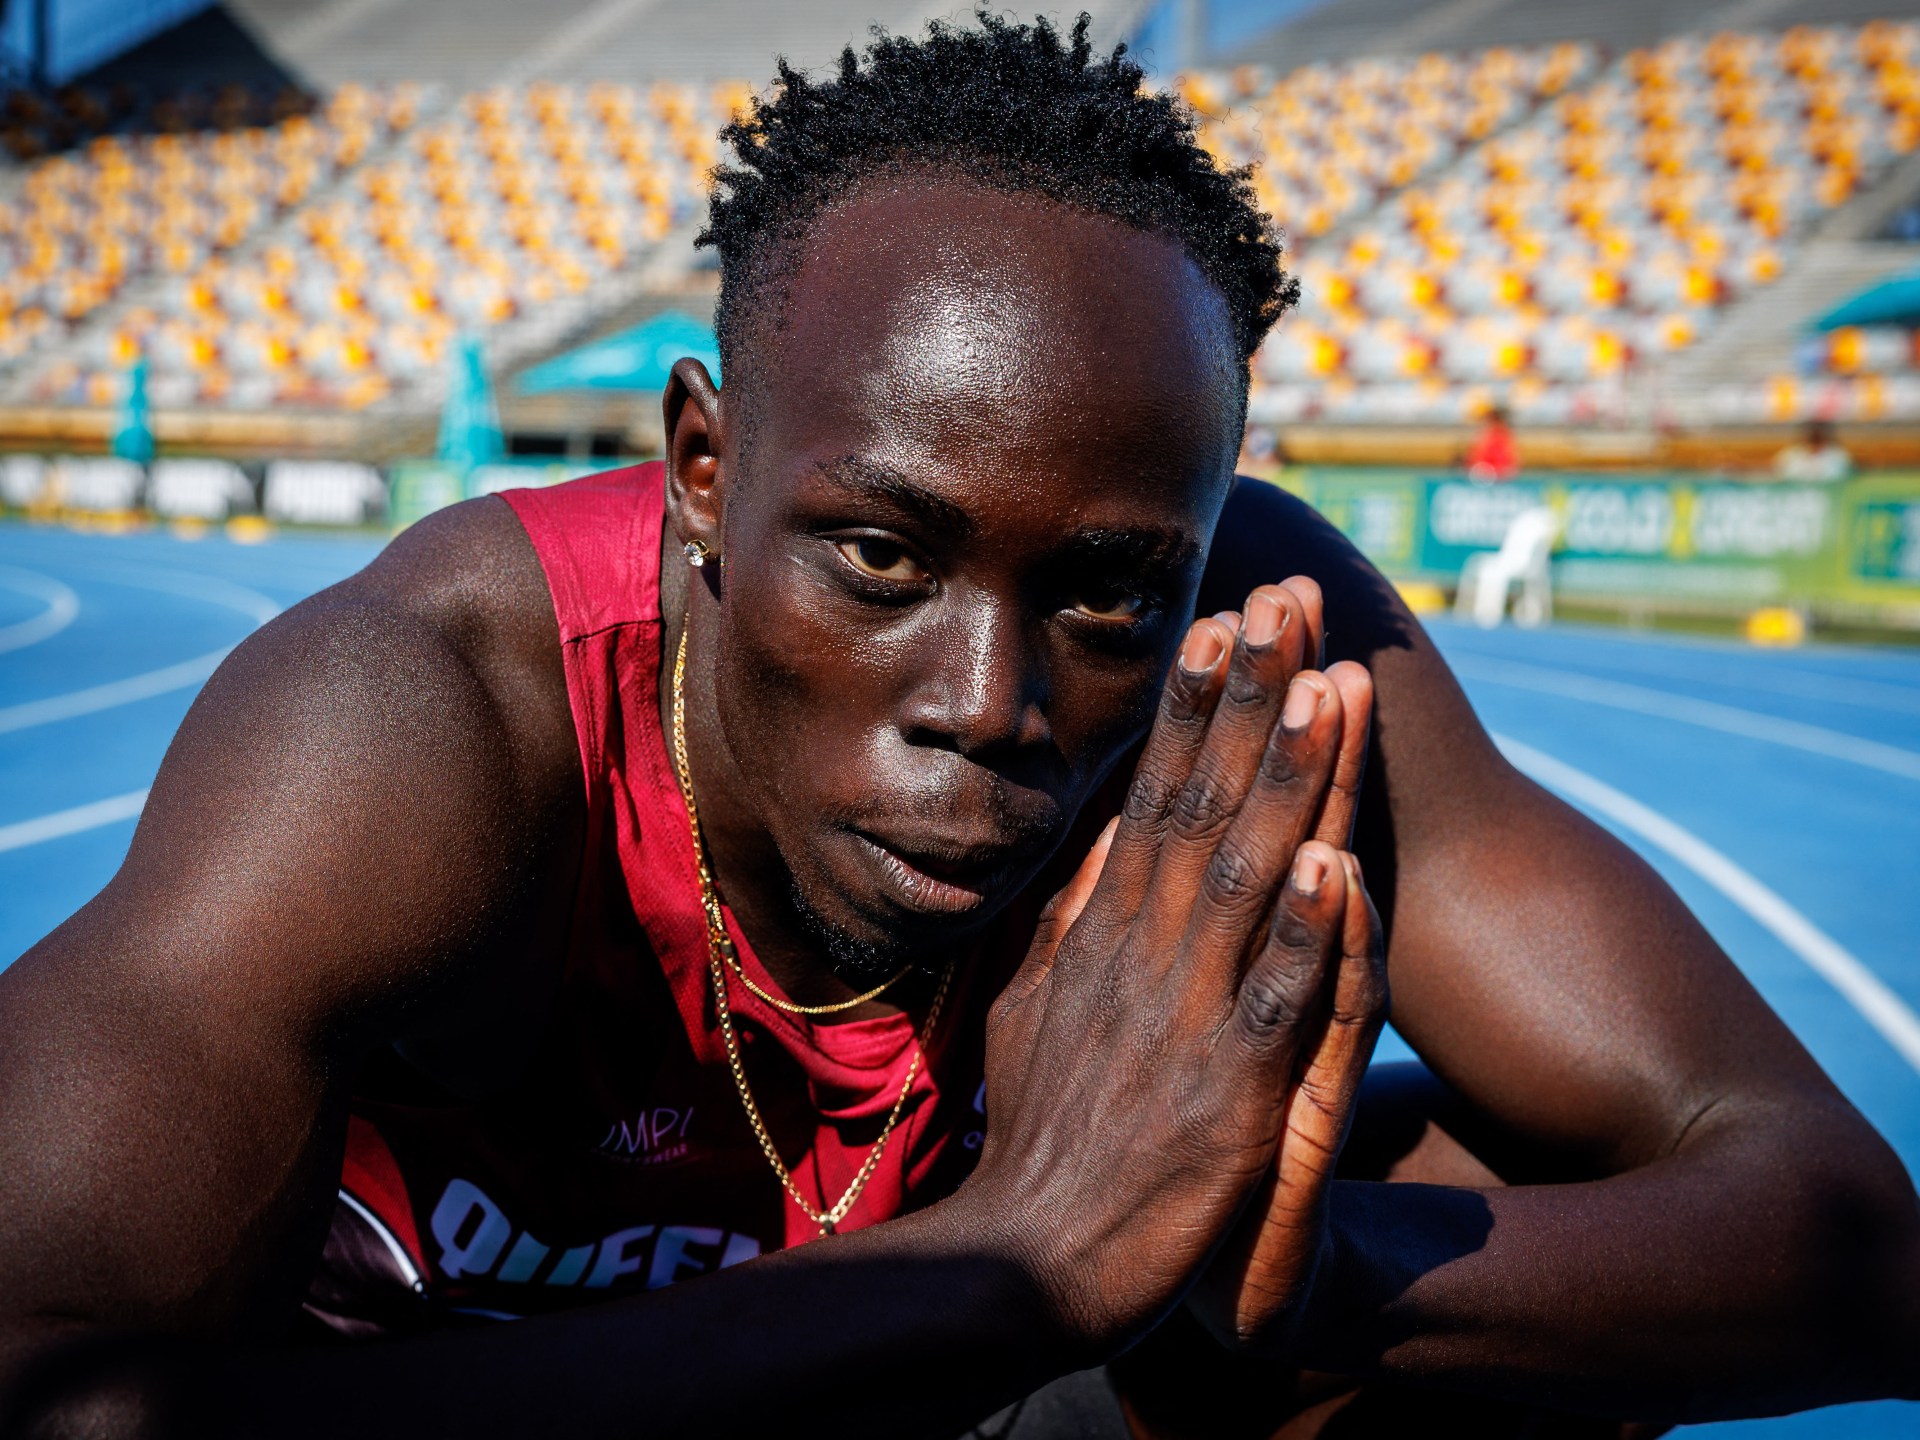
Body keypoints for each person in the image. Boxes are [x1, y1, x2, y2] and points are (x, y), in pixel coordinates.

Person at [2, 16, 1915, 1439]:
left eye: (1104, 592)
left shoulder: (1255, 647)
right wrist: (1023, 1257)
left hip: (958, 1381)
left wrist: (1288, 1274)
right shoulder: (421, 718)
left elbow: (1844, 1231)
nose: (987, 706)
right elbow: (49, 1390)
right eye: (879, 556)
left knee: (1481, 1246)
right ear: (703, 471)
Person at [1773, 418, 1853, 483]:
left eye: (1818, 437)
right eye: (1811, 437)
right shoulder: (1789, 455)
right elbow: (1778, 478)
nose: (1814, 440)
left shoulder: (1839, 456)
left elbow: (1846, 480)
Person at [1463, 403, 1520, 482]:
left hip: (1496, 476)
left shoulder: (1500, 436)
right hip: (1487, 475)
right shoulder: (1485, 436)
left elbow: (1511, 462)